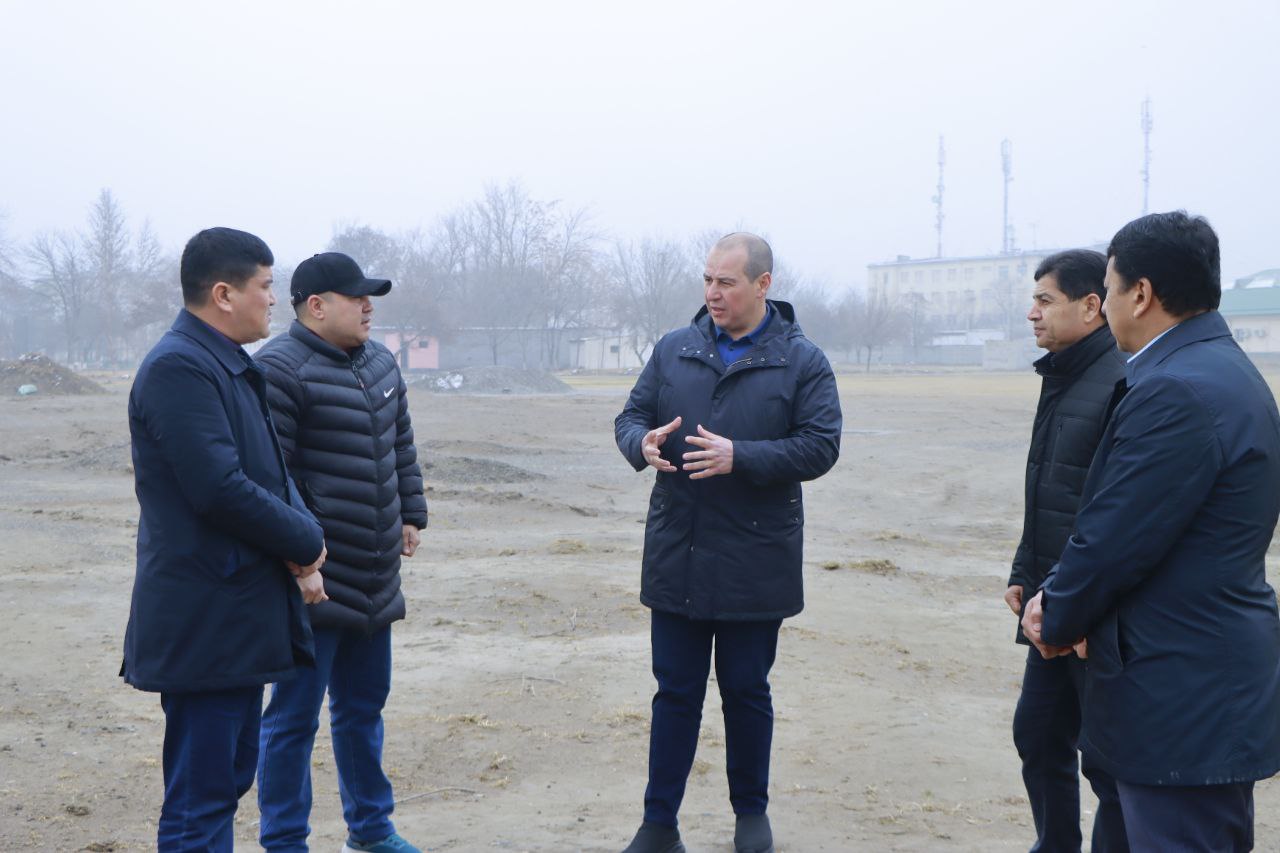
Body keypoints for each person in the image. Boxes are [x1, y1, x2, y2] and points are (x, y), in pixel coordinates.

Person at [1022, 211, 1280, 852]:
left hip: (1180, 696)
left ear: (1140, 293)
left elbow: (1115, 537)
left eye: (1109, 289)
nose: (1106, 304)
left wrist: (1056, 615)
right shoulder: (1214, 370)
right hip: (1181, 683)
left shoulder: (1177, 390)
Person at [613, 232, 842, 853]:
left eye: (726, 282)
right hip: (678, 550)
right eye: (708, 280)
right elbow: (630, 416)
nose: (712, 293)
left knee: (745, 691)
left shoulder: (802, 361)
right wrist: (640, 443)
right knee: (674, 694)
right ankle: (658, 824)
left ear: (763, 285)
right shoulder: (673, 348)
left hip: (755, 557)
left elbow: (821, 446)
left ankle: (750, 816)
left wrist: (743, 456)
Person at [122, 227, 328, 852]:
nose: (274, 298)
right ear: (223, 294)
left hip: (234, 616)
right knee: (200, 798)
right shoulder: (179, 367)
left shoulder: (227, 364)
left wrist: (305, 542)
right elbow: (218, 488)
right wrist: (305, 539)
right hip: (204, 618)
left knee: (226, 780)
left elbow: (271, 472)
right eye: (265, 285)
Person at [255, 251, 428, 853]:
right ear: (316, 306)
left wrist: (412, 512)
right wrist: (301, 557)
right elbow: (272, 477)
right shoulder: (279, 369)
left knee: (362, 709)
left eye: (369, 297)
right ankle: (284, 841)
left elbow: (400, 441)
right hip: (315, 580)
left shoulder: (379, 361)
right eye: (356, 297)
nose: (368, 306)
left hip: (376, 572)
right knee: (292, 719)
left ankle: (372, 830)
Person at [1004, 249, 1128, 853]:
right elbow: (1050, 490)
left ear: (1091, 306)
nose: (1032, 313)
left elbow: (1112, 513)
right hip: (1050, 599)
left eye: (1045, 300)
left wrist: (1079, 608)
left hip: (1090, 610)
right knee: (1038, 733)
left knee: (1106, 761)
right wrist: (1024, 569)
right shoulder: (1062, 374)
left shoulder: (1120, 381)